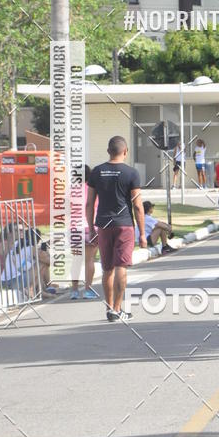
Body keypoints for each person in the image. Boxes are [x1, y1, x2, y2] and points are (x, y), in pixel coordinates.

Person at [87, 136, 146, 323]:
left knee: (107, 268)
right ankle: (118, 309)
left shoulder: (97, 172)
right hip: (124, 225)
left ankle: (110, 307)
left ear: (108, 151)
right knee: (121, 266)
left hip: (103, 225)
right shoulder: (131, 173)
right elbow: (137, 206)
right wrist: (143, 233)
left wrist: (91, 228)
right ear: (125, 151)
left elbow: (89, 203)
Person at [71, 164, 99, 300]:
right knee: (89, 260)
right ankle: (88, 290)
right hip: (90, 227)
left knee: (76, 260)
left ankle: (74, 290)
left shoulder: (70, 191)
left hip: (74, 228)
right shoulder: (93, 190)